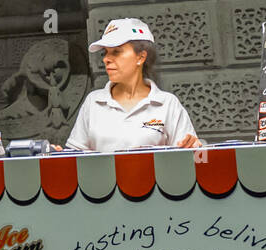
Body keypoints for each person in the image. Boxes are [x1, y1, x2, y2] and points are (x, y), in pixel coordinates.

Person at [63, 18, 203, 152]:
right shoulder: (93, 102)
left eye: (116, 52)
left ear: (141, 57)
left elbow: (192, 158)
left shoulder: (167, 104)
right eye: (105, 52)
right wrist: (58, 155)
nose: (106, 59)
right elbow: (74, 158)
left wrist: (193, 149)